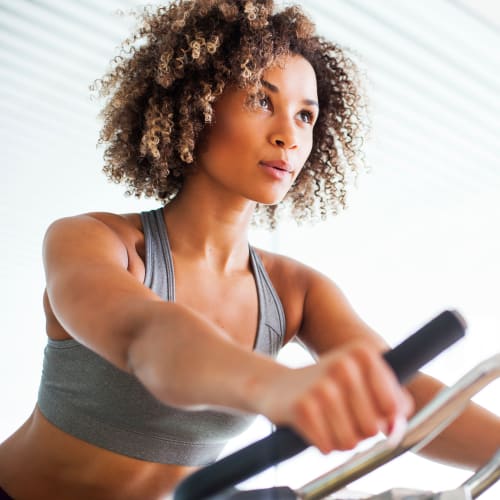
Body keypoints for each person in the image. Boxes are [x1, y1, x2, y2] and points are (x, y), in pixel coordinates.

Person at [0, 1, 498, 499]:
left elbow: (400, 391)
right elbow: (150, 339)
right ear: (198, 103)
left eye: (306, 116)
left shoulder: (295, 292)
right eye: (263, 101)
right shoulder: (94, 241)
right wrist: (278, 386)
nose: (289, 136)